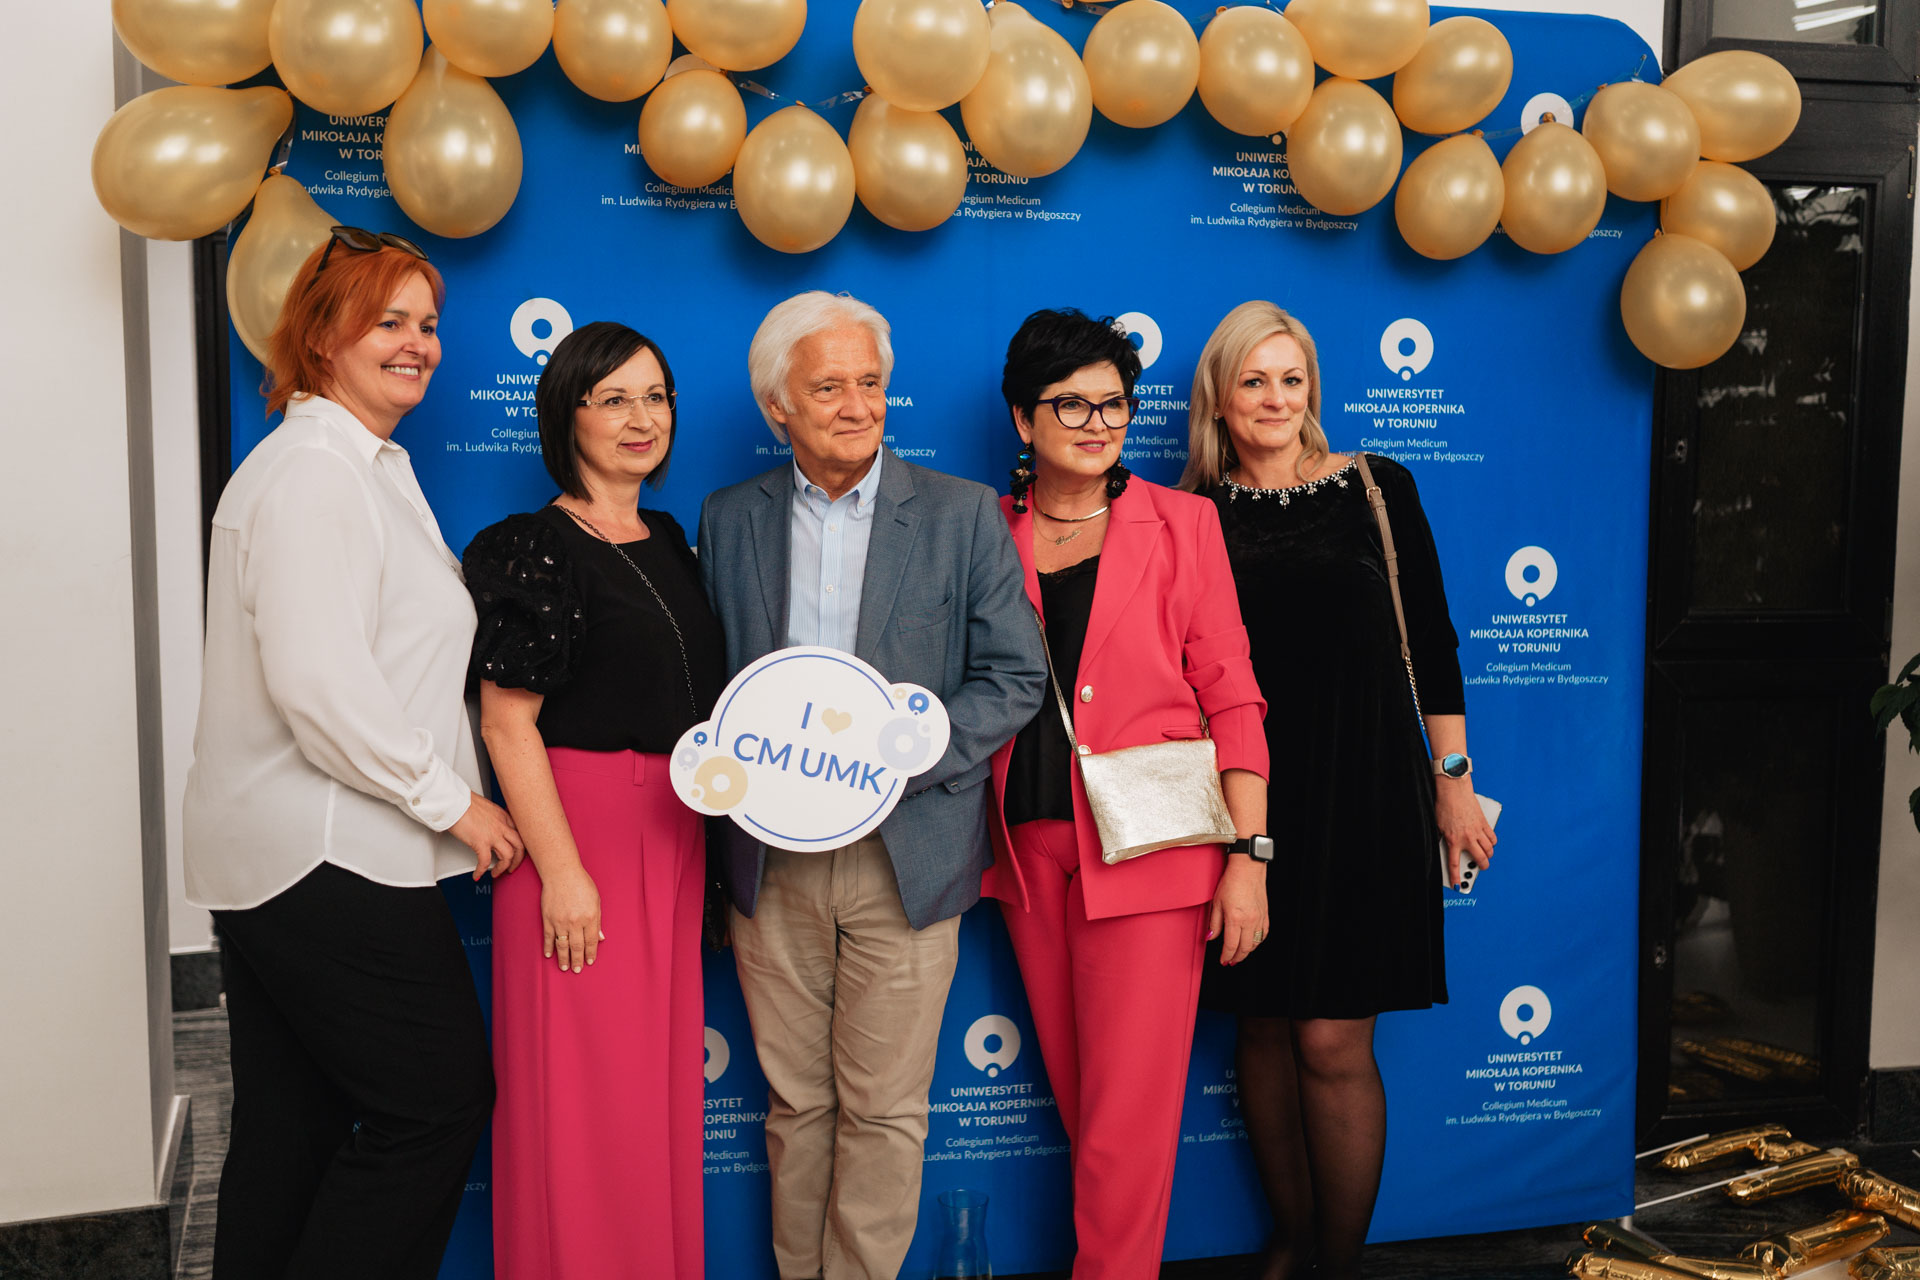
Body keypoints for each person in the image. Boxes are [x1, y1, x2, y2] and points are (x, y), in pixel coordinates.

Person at [183, 227, 520, 1280]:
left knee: (292, 1130)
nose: (419, 343)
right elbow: (320, 684)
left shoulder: (365, 468)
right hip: (329, 852)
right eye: (389, 321)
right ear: (324, 336)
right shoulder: (316, 475)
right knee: (436, 1104)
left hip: (293, 855)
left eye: (429, 323)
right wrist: (455, 802)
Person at [697, 290, 1047, 1280]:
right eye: (828, 387)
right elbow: (712, 685)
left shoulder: (961, 513)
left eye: (870, 383)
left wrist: (903, 757)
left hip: (908, 853)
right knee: (797, 1105)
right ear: (778, 406)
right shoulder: (728, 518)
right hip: (771, 862)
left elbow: (1015, 676)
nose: (857, 405)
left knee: (885, 1108)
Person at [1181, 301, 1496, 1280]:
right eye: (1254, 381)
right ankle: (1289, 1238)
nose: (1276, 399)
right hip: (1248, 802)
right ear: (1220, 399)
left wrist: (1454, 781)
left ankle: (1339, 1262)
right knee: (1263, 1028)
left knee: (1330, 1039)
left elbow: (1431, 641)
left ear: (1312, 388)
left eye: (1292, 379)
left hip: (1366, 789)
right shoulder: (1193, 515)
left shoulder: (1376, 486)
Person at [980, 308, 1272, 1280]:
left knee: (1125, 1122)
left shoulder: (1183, 524)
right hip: (1027, 852)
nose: (1097, 423)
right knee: (1086, 1107)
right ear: (1023, 419)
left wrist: (1249, 856)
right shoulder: (983, 530)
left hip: (1149, 849)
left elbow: (1233, 694)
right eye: (1071, 404)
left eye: (1113, 404)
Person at [464, 321, 726, 1279]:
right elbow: (507, 726)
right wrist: (564, 874)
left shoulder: (670, 539)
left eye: (655, 397)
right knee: (587, 1103)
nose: (640, 418)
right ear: (565, 415)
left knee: (651, 1096)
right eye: (613, 399)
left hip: (673, 836)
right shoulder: (532, 547)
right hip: (578, 839)